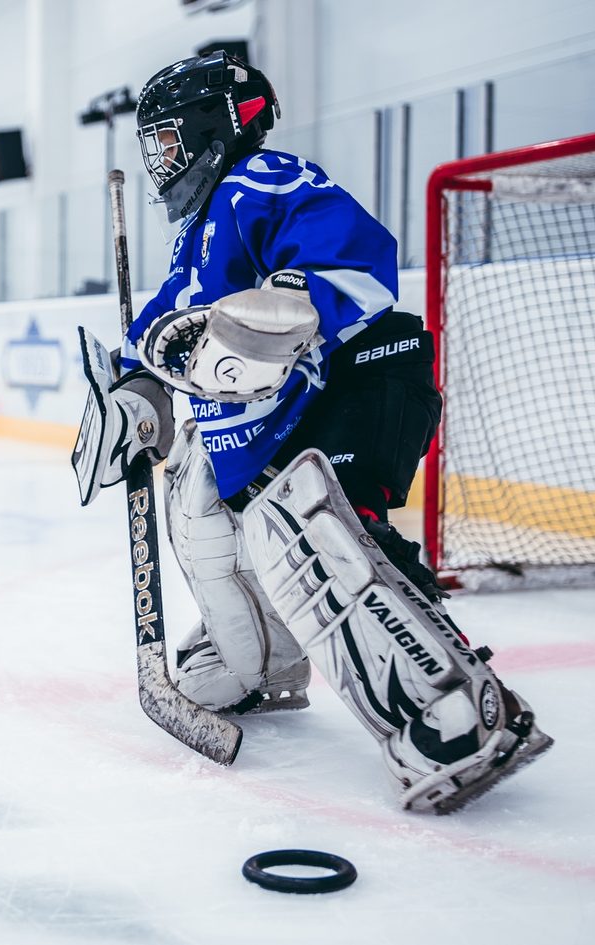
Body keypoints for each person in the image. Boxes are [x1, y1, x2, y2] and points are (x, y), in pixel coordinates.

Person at [72, 52, 551, 814]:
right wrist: (134, 389)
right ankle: (254, 663)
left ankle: (457, 706)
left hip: (364, 378)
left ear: (211, 128)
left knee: (315, 529)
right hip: (297, 411)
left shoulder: (264, 181)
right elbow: (163, 329)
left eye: (166, 143)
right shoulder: (194, 236)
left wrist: (287, 301)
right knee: (202, 501)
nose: (159, 163)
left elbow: (351, 258)